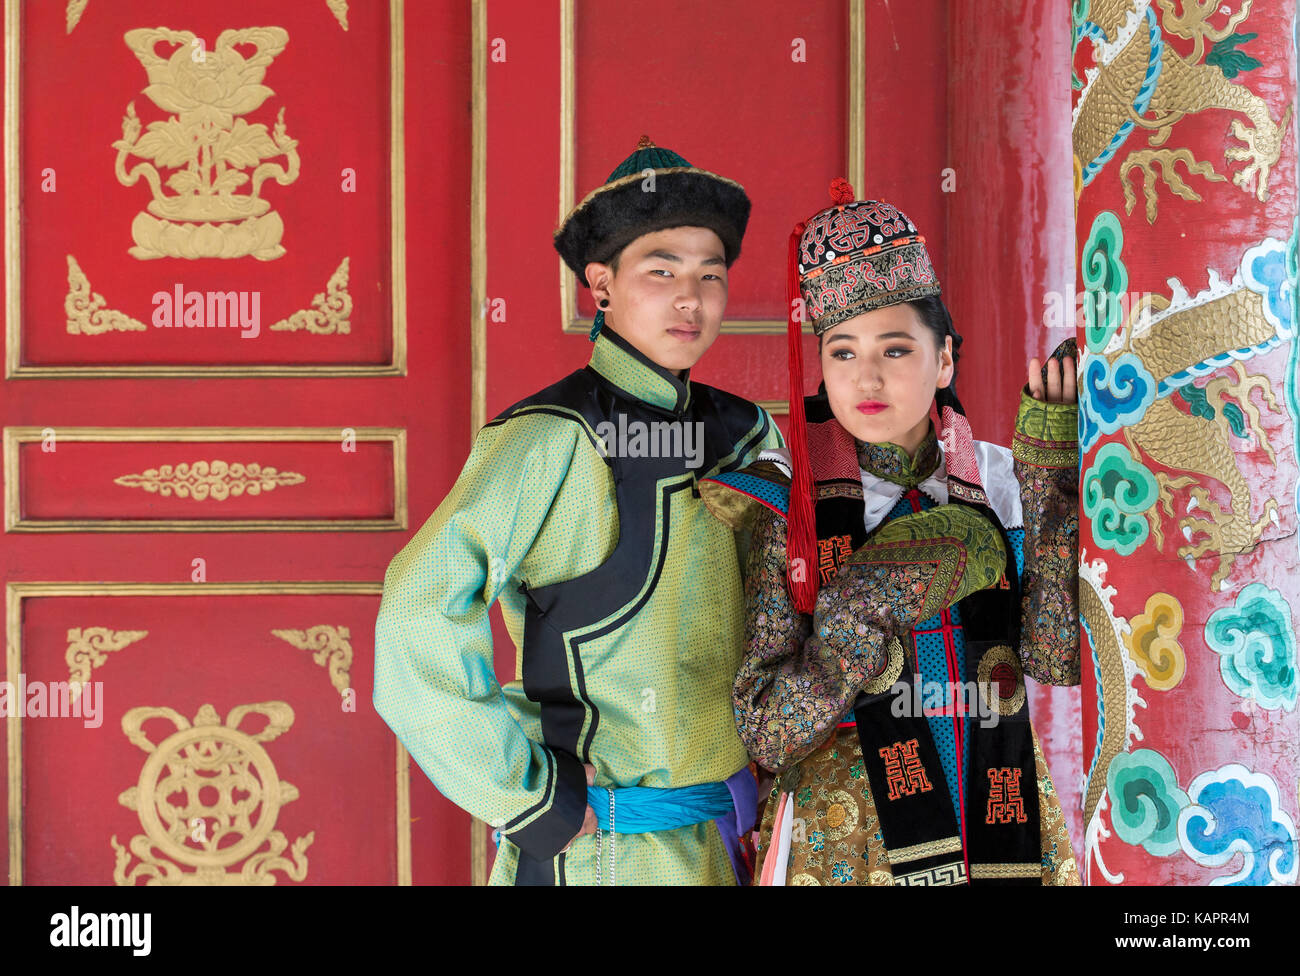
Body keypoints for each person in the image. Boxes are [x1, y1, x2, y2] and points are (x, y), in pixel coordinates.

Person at [373, 136, 783, 885]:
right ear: (601, 284)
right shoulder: (546, 439)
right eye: (661, 271)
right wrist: (528, 799)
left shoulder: (748, 434)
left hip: (735, 845)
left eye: (710, 275)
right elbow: (414, 610)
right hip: (606, 851)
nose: (690, 299)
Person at [699, 180, 1080, 885]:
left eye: (896, 350)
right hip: (845, 834)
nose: (865, 374)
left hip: (995, 806)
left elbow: (1054, 655)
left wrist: (1051, 481)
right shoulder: (789, 504)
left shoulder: (997, 482)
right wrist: (854, 612)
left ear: (943, 362)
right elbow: (768, 731)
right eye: (841, 352)